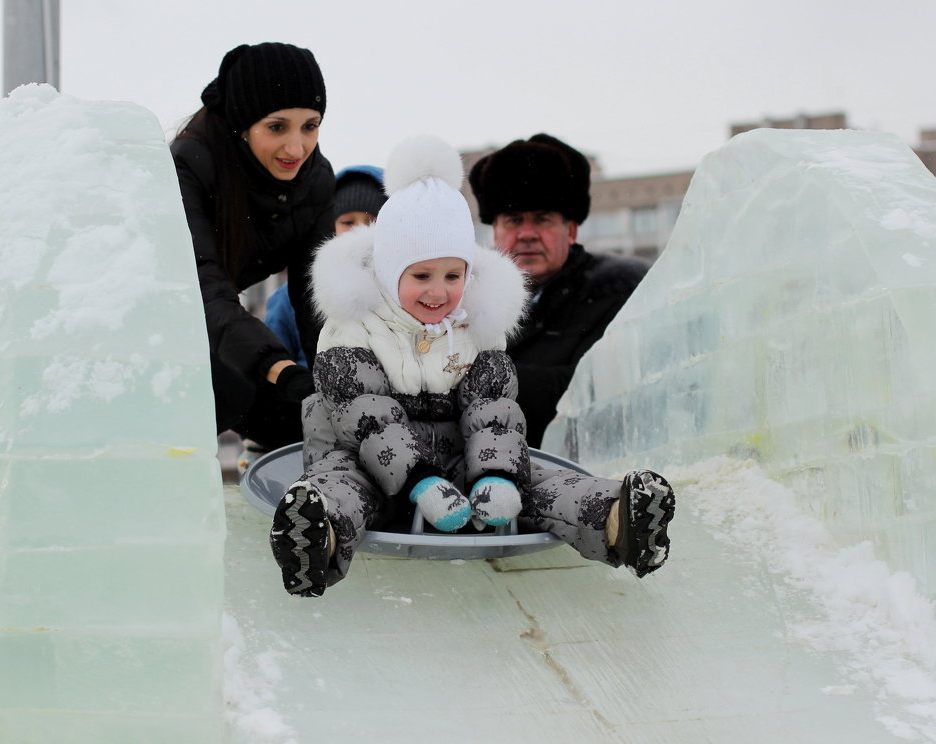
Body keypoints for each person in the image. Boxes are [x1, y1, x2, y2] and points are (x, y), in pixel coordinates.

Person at [265, 136, 674, 597]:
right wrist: (419, 482)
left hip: (456, 458)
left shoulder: (478, 324)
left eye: (453, 276)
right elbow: (366, 415)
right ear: (386, 268)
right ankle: (316, 537)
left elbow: (493, 410)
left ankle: (620, 519)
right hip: (363, 453)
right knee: (344, 486)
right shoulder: (352, 324)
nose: (438, 292)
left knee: (534, 477)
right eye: (421, 276)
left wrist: (495, 475)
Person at [171, 42, 334, 452]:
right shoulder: (189, 166)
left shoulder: (315, 181)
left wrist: (336, 378)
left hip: (220, 318)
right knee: (226, 386)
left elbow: (315, 297)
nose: (296, 148)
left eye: (310, 126)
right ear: (243, 125)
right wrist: (278, 367)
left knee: (305, 417)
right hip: (156, 319)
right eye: (277, 127)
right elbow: (202, 288)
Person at [469, 134, 649, 447]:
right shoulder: (458, 298)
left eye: (542, 219)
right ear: (494, 231)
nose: (527, 234)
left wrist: (468, 375)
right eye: (513, 220)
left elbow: (587, 393)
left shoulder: (619, 289)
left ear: (571, 230)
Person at [261, 165, 388, 368]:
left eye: (371, 221)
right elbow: (275, 362)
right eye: (348, 222)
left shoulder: (403, 291)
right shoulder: (291, 297)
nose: (359, 231)